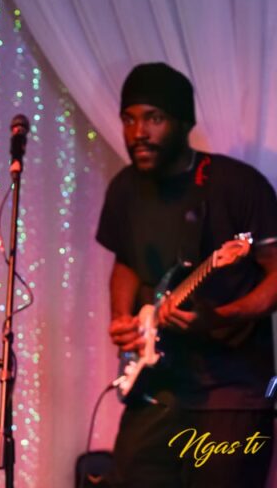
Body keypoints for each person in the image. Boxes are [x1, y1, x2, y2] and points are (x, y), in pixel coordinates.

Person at [98, 62, 277, 487]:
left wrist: (222, 316)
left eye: (154, 118)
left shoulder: (237, 185)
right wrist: (124, 320)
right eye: (129, 119)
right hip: (157, 387)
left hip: (232, 392)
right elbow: (126, 261)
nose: (138, 132)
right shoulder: (124, 189)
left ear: (184, 123)